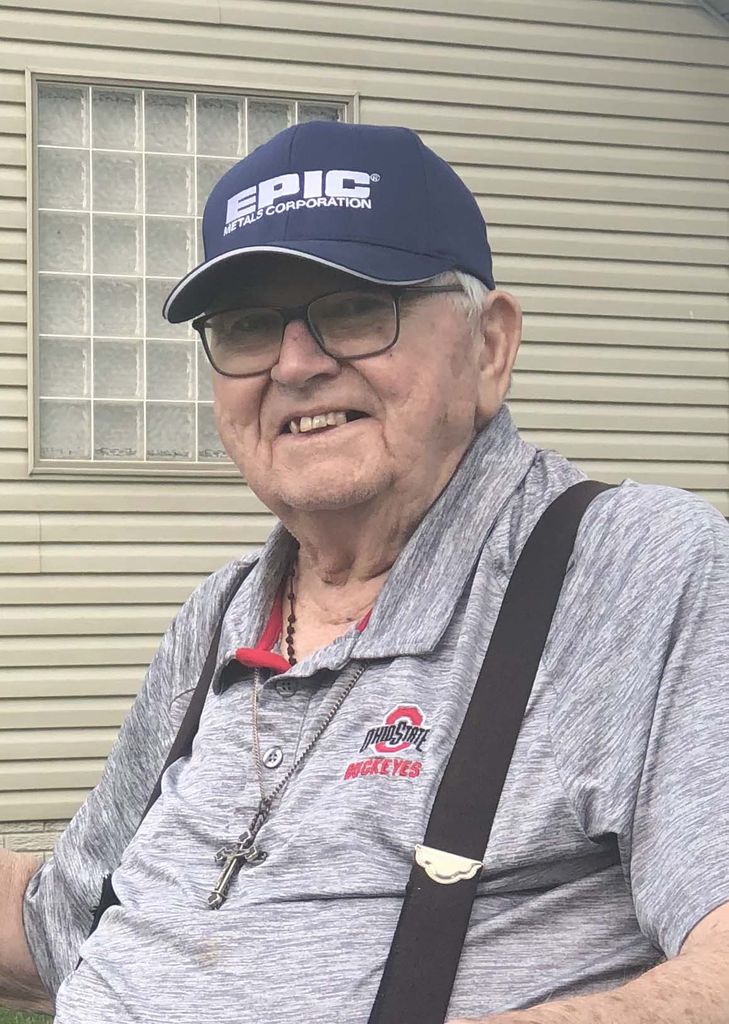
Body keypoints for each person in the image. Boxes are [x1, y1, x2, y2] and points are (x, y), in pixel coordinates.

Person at [1, 120, 728, 1024]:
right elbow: (62, 920)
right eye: (248, 325)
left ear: (489, 346)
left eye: (353, 307)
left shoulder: (630, 567)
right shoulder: (220, 614)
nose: (295, 365)